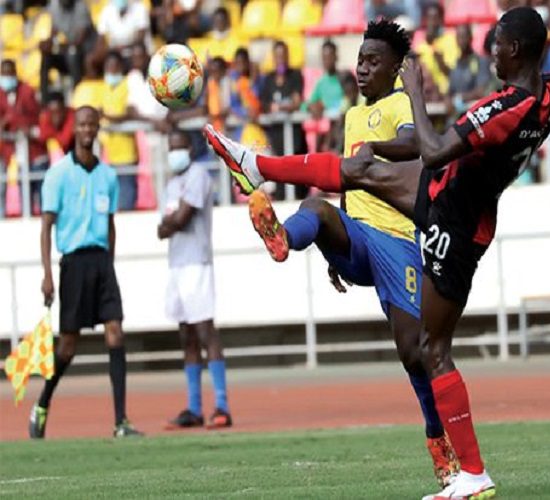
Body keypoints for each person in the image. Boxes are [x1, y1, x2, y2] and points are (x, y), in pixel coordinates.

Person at [204, 7, 550, 498]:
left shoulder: (503, 109)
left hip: (451, 221)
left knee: (430, 349)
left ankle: (473, 473)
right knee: (360, 173)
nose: (491, 51)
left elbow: (436, 149)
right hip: (453, 198)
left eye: (498, 43)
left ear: (516, 50)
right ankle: (255, 165)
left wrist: (416, 95)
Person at [208, 19, 461, 489]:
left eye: (372, 62)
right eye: (360, 60)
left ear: (394, 69)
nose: (362, 69)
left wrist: (374, 148)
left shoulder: (401, 103)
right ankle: (285, 238)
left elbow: (416, 144)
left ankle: (439, 443)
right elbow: (349, 183)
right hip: (358, 236)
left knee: (413, 352)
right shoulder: (350, 117)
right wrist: (331, 248)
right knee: (317, 207)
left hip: (399, 240)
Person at [30, 106, 142, 439]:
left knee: (116, 334)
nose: (87, 129)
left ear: (98, 128)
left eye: (93, 123)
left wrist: (111, 261)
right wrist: (47, 274)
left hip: (102, 262)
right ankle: (43, 403)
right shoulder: (59, 174)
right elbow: (46, 227)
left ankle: (121, 421)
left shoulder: (107, 175)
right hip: (74, 263)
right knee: (67, 348)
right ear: (75, 129)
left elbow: (110, 224)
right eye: (82, 124)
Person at [158, 130, 232, 429]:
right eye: (170, 148)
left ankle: (222, 405)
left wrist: (171, 223)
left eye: (178, 147)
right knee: (186, 333)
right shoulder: (172, 184)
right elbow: (162, 228)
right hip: (177, 263)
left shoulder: (199, 175)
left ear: (189, 149)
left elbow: (181, 219)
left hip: (197, 262)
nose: (174, 153)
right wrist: (170, 223)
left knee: (205, 331)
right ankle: (194, 407)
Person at [259, 41, 306, 199]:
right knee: (278, 179)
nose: (280, 59)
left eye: (283, 55)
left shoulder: (295, 75)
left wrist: (278, 107)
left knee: (296, 177)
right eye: (277, 55)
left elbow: (296, 102)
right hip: (276, 137)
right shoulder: (268, 79)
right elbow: (263, 104)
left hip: (294, 137)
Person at [0, 59, 47, 218]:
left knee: (40, 194)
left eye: (10, 73)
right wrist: (6, 120)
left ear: (15, 73)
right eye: (3, 74)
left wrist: (16, 121)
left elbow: (36, 118)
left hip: (33, 151)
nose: (7, 77)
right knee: (6, 188)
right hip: (6, 151)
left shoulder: (27, 91)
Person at [100, 51, 139, 211]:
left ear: (120, 67)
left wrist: (106, 116)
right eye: (108, 67)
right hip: (111, 154)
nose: (111, 70)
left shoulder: (128, 85)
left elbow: (129, 114)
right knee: (113, 203)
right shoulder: (105, 88)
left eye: (114, 67)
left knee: (127, 202)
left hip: (127, 153)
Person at [40, 0, 98, 103]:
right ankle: (44, 99)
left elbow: (80, 38)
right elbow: (54, 29)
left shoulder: (81, 7)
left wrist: (62, 47)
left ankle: (76, 95)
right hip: (67, 49)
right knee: (46, 57)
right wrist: (49, 43)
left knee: (73, 55)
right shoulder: (54, 6)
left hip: (84, 52)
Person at [415, 2, 459, 99]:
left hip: (446, 93)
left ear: (441, 20)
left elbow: (449, 72)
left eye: (435, 18)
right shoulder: (420, 45)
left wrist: (433, 47)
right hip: (428, 93)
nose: (432, 22)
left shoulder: (450, 40)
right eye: (429, 18)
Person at [447, 25, 491, 118]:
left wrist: (459, 98)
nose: (462, 40)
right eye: (459, 37)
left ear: (471, 38)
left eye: (464, 36)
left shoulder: (481, 61)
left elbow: (481, 91)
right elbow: (450, 91)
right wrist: (447, 100)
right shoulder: (455, 65)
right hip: (456, 117)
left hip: (475, 116)